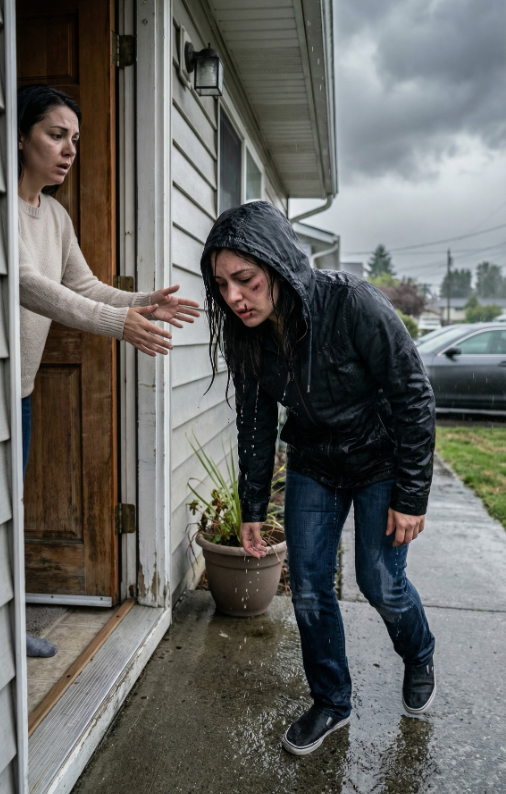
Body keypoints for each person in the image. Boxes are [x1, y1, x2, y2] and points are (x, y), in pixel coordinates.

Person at [201, 200, 436, 756]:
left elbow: (413, 395)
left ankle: (419, 653)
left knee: (380, 582)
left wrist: (410, 494)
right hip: (314, 464)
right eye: (222, 284)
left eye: (246, 280)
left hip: (379, 460)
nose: (234, 297)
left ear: (277, 265)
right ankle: (331, 700)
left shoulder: (352, 303)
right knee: (308, 589)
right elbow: (255, 420)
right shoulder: (247, 334)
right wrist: (252, 506)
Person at [18, 84, 200, 657]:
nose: (69, 149)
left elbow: (84, 285)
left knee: (9, 513)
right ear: (20, 137)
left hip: (18, 393)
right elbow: (27, 284)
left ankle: (5, 630)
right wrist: (118, 325)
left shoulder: (55, 215)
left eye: (74, 138)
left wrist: (142, 303)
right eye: (56, 135)